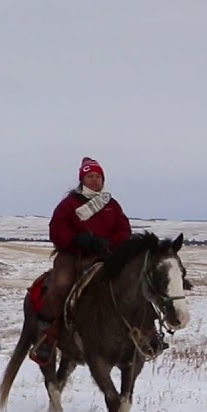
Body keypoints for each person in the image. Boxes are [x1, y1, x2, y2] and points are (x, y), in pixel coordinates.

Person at [31, 156, 133, 364]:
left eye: (98, 176)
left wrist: (108, 242)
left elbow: (124, 231)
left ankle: (140, 333)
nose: (94, 180)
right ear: (82, 179)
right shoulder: (69, 204)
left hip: (105, 255)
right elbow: (57, 230)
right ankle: (46, 337)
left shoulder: (112, 204)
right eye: (90, 176)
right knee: (60, 285)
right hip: (72, 255)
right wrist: (78, 239)